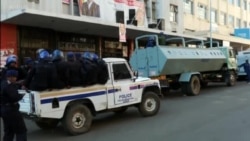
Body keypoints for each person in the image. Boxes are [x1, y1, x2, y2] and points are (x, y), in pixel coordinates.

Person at [1, 69, 27, 141]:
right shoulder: (9, 86)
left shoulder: (3, 83)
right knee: (21, 130)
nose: (16, 78)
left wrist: (18, 84)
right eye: (15, 77)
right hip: (12, 110)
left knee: (9, 131)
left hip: (4, 110)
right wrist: (22, 94)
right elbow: (15, 97)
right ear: (11, 77)